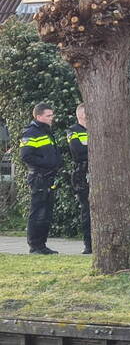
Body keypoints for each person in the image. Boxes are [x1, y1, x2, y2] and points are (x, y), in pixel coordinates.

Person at [19, 102, 61, 255]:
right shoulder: (31, 132)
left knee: (46, 213)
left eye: (52, 115)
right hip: (38, 177)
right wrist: (47, 163)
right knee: (37, 212)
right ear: (38, 116)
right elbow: (26, 156)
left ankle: (42, 245)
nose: (52, 118)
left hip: (48, 177)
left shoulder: (46, 132)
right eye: (48, 115)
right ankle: (34, 245)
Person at [66, 103, 92, 254]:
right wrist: (92, 147)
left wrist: (87, 146)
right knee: (87, 209)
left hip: (96, 172)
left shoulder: (95, 128)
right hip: (82, 175)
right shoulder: (73, 131)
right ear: (81, 115)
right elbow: (77, 151)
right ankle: (89, 245)